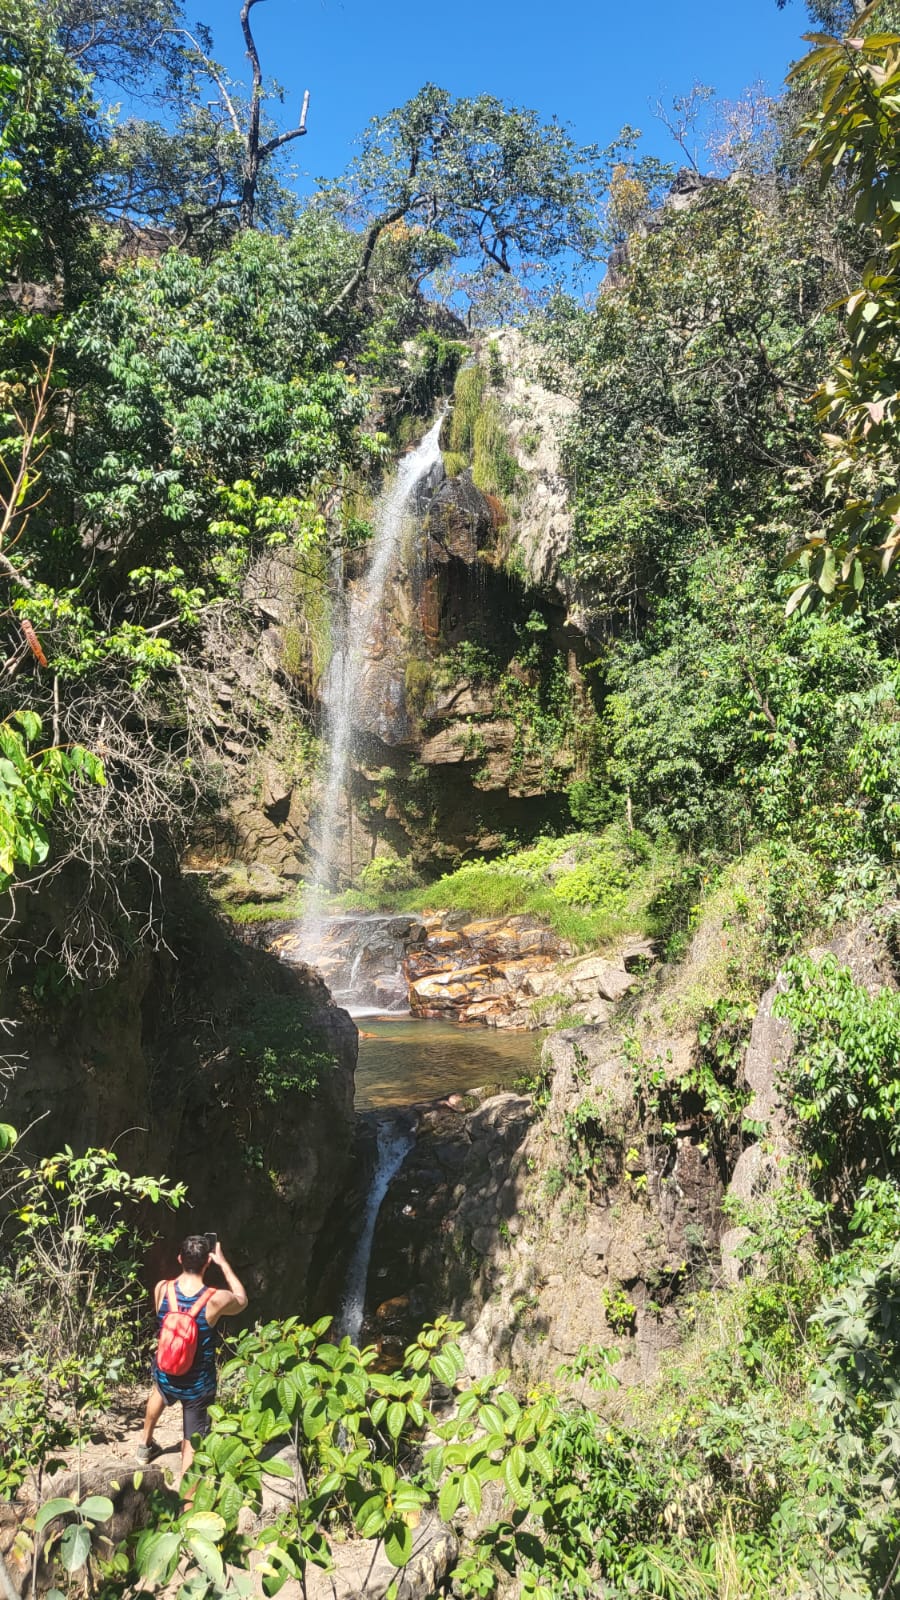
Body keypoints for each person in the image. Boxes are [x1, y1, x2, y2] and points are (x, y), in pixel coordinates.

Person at [137, 1234, 248, 1474]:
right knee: (192, 1441)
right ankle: (186, 1499)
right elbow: (242, 1300)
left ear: (179, 1259)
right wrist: (224, 1264)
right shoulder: (216, 1299)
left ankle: (145, 1445)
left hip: (166, 1370)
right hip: (198, 1384)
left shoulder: (162, 1289)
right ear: (207, 1262)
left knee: (159, 1389)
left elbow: (161, 1318)